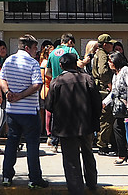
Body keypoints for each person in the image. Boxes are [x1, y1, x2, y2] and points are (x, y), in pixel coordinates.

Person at [44, 53, 100, 195]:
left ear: (61, 66)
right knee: (88, 154)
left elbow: (49, 105)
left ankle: (76, 189)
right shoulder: (87, 79)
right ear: (76, 64)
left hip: (65, 128)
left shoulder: (56, 82)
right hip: (86, 125)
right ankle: (92, 183)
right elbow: (97, 103)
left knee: (71, 159)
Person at [0, 34, 49, 189]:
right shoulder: (33, 63)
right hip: (29, 111)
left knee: (12, 143)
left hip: (12, 110)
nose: (36, 52)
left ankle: (7, 176)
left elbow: (1, 78)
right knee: (32, 145)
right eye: (34, 48)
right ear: (27, 48)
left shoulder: (9, 60)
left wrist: (8, 93)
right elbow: (37, 85)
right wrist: (21, 95)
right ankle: (34, 178)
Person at [103, 51, 128, 164]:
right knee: (120, 128)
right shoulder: (116, 74)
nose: (109, 63)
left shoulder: (126, 70)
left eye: (110, 61)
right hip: (119, 106)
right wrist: (105, 102)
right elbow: (114, 91)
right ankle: (126, 154)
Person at [91, 34, 115, 155]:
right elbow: (103, 72)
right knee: (106, 118)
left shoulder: (99, 53)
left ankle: (104, 142)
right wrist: (109, 84)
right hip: (103, 89)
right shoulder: (103, 55)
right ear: (105, 44)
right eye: (110, 43)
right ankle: (102, 144)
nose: (112, 45)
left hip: (100, 88)